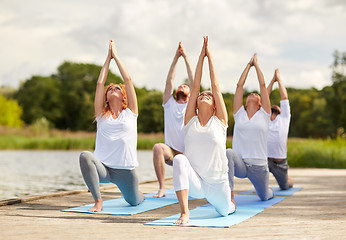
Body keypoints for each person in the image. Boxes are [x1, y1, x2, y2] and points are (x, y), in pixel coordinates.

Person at [173, 36, 236, 225]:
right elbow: (195, 86)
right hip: (197, 183)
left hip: (217, 184)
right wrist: (201, 56)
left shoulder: (220, 122)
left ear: (216, 106)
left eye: (209, 96)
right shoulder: (190, 121)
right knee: (179, 159)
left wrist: (209, 56)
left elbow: (215, 86)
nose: (205, 95)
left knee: (226, 211)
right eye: (202, 95)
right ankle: (184, 213)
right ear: (196, 103)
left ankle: (231, 202)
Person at [79, 40, 145, 212]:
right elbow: (100, 84)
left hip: (125, 172)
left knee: (135, 201)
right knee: (85, 156)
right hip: (104, 169)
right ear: (106, 98)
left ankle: (139, 194)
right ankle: (98, 201)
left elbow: (128, 80)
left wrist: (116, 56)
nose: (112, 89)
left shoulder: (131, 113)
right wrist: (108, 59)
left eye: (116, 88)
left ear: (124, 97)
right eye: (110, 89)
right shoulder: (101, 115)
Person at [226, 53, 274, 201]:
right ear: (245, 103)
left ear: (260, 103)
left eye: (257, 95)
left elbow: (263, 86)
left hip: (258, 167)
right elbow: (239, 86)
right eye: (250, 94)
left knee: (264, 196)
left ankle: (269, 190)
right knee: (228, 153)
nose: (253, 93)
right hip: (241, 164)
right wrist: (248, 65)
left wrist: (257, 66)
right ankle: (229, 195)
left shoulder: (264, 115)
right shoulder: (239, 114)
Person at [152, 42, 194, 198]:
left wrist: (186, 58)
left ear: (190, 93)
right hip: (172, 152)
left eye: (185, 86)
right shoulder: (169, 104)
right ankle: (162, 188)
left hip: (190, 154)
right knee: (157, 147)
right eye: (180, 85)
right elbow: (169, 81)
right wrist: (176, 58)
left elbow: (193, 81)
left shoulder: (192, 104)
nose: (181, 86)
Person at [266, 68, 293, 190]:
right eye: (272, 108)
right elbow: (265, 97)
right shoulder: (264, 120)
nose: (275, 108)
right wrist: (272, 81)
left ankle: (288, 180)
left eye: (277, 108)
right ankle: (262, 185)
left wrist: (279, 80)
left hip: (280, 162)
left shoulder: (284, 119)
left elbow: (284, 97)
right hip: (266, 161)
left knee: (285, 186)